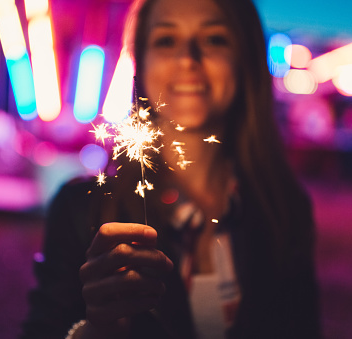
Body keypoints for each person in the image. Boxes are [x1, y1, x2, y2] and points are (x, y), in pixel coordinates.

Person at [20, 0, 321, 338]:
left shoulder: (284, 210)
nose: (187, 59)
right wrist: (96, 329)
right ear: (141, 61)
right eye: (166, 40)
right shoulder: (82, 211)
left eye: (214, 39)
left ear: (245, 59)